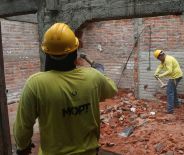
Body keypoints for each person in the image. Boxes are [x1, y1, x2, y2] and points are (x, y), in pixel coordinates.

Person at [13, 23, 118, 155]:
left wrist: (22, 146)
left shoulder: (35, 84)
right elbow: (112, 90)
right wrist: (100, 72)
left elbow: (23, 127)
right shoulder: (93, 77)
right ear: (74, 51)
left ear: (46, 52)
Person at [153, 49, 183, 114]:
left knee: (169, 92)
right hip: (176, 76)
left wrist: (160, 75)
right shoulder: (164, 59)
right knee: (173, 91)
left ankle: (170, 110)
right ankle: (177, 104)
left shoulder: (168, 60)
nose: (159, 60)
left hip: (175, 77)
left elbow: (170, 71)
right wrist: (156, 73)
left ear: (160, 56)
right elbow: (160, 66)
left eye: (158, 58)